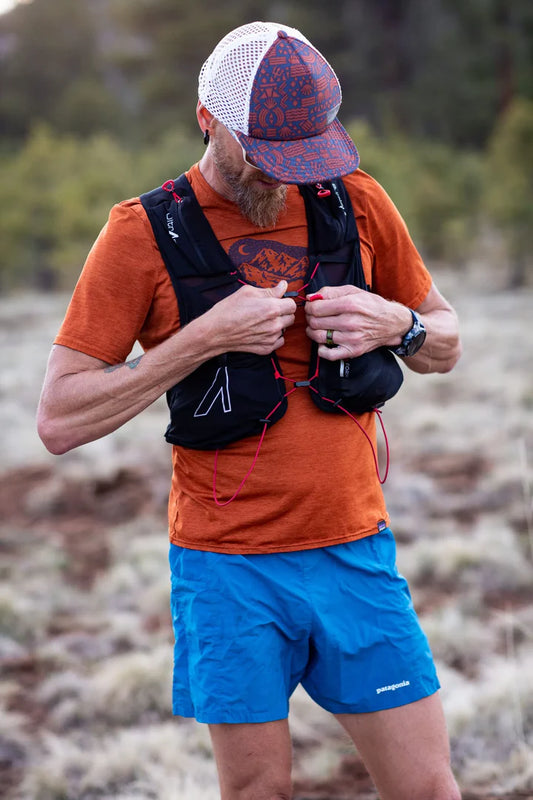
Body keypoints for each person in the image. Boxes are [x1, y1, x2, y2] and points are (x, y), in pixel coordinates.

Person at [37, 21, 462, 800]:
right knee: (257, 793)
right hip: (225, 570)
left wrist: (394, 323)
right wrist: (202, 339)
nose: (288, 172)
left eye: (306, 150)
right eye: (268, 151)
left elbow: (445, 340)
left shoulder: (357, 202)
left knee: (427, 788)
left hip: (354, 554)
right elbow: (60, 419)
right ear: (207, 118)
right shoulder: (140, 234)